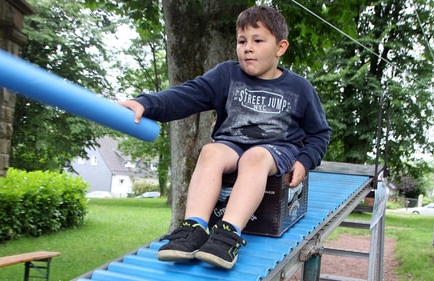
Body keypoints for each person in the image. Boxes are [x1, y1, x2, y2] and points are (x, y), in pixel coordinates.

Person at [119, 5, 331, 270]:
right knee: (211, 151)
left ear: (281, 47)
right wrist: (145, 104)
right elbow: (186, 95)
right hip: (232, 145)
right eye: (242, 41)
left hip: (275, 151)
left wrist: (304, 161)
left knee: (255, 157)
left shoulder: (300, 89)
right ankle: (194, 227)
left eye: (258, 40)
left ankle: (228, 233)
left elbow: (319, 134)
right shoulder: (227, 75)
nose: (247, 48)